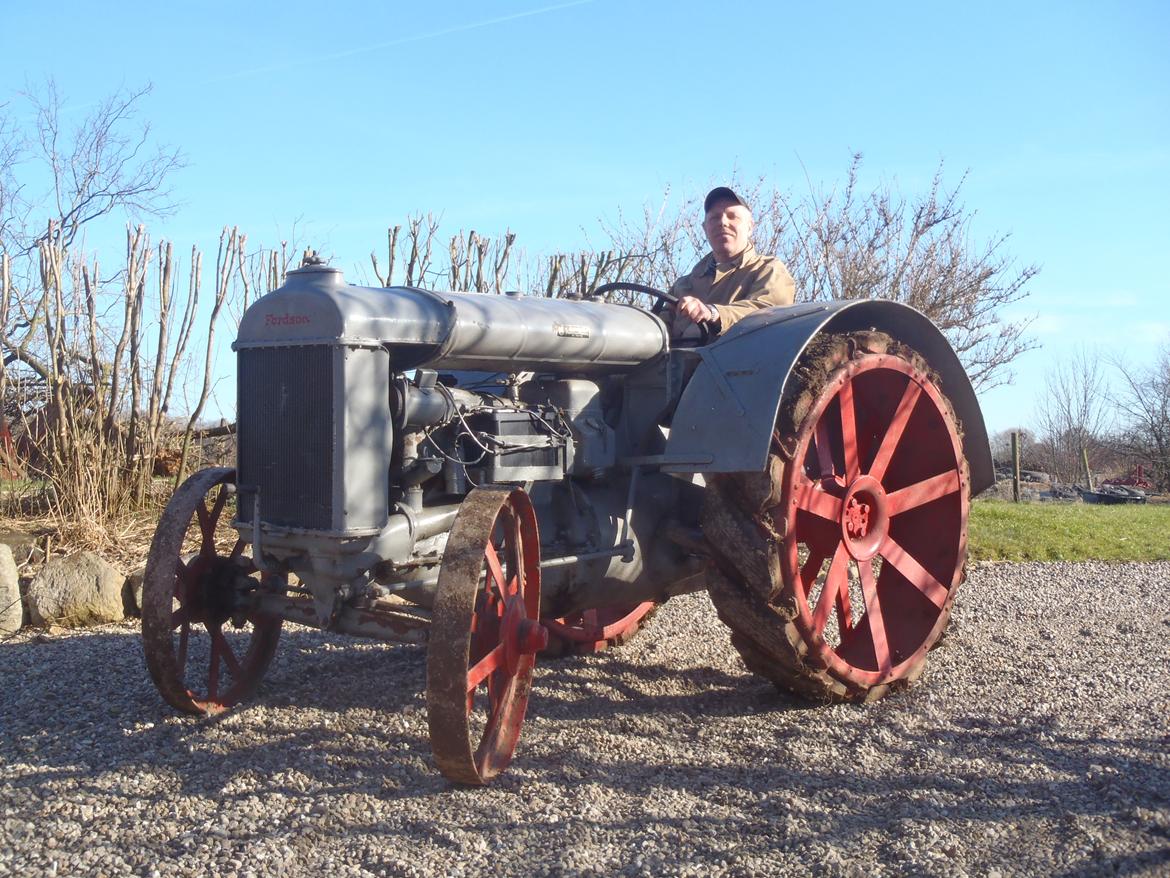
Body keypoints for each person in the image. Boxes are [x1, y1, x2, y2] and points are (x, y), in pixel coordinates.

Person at [667, 186, 796, 341]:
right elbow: (657, 327)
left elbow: (767, 313)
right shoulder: (683, 285)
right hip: (674, 364)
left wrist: (713, 313)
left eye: (732, 216)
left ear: (750, 227)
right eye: (714, 218)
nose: (722, 223)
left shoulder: (769, 270)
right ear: (705, 228)